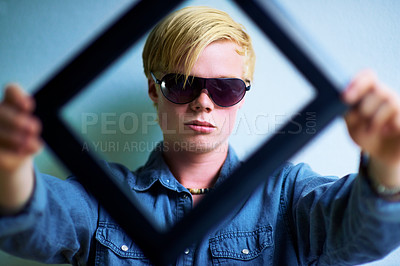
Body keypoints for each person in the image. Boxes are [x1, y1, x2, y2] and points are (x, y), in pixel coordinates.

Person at [1, 5, 400, 265]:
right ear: (154, 92)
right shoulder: (104, 197)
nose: (204, 103)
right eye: (183, 85)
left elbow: (364, 233)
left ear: (242, 98)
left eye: (225, 88)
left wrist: (390, 163)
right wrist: (9, 167)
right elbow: (32, 222)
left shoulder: (288, 195)